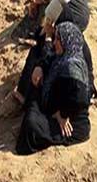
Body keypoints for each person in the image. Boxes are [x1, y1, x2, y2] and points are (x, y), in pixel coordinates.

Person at [16, 22, 91, 155]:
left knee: (32, 126)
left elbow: (81, 99)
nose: (54, 42)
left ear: (66, 41)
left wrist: (62, 114)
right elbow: (49, 55)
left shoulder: (72, 68)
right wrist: (40, 67)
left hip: (72, 121)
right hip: (56, 106)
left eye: (58, 39)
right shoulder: (64, 55)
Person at [15, 0, 97, 104]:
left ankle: (24, 95)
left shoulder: (63, 39)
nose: (47, 22)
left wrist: (48, 39)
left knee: (36, 54)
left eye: (49, 19)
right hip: (80, 85)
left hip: (73, 89)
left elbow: (48, 58)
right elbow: (39, 37)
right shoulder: (71, 32)